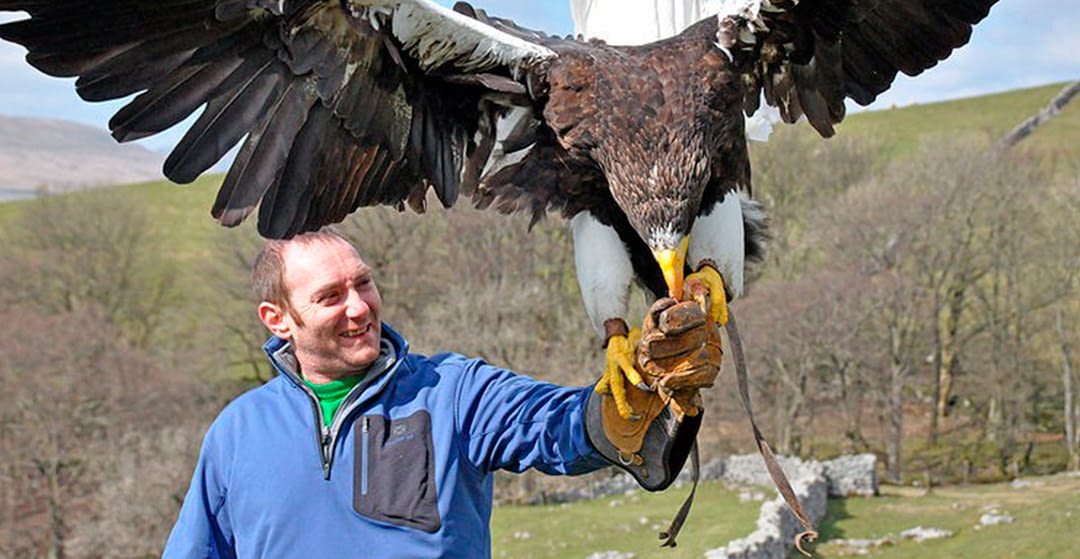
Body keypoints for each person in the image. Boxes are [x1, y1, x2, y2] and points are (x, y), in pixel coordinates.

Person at [162, 229, 713, 559]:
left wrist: (625, 399)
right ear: (277, 319)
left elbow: (559, 426)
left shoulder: (452, 393)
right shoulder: (236, 433)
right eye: (330, 296)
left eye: (364, 283)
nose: (359, 307)